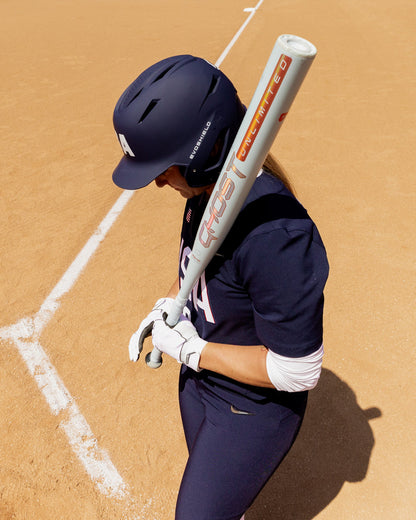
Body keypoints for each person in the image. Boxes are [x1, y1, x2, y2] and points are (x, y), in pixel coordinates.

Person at [112, 55, 329, 520]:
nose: (155, 182)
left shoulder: (277, 238)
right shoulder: (204, 193)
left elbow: (298, 372)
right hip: (201, 383)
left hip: (251, 408)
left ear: (203, 150)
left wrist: (192, 352)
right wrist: (168, 302)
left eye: (163, 168)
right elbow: (198, 264)